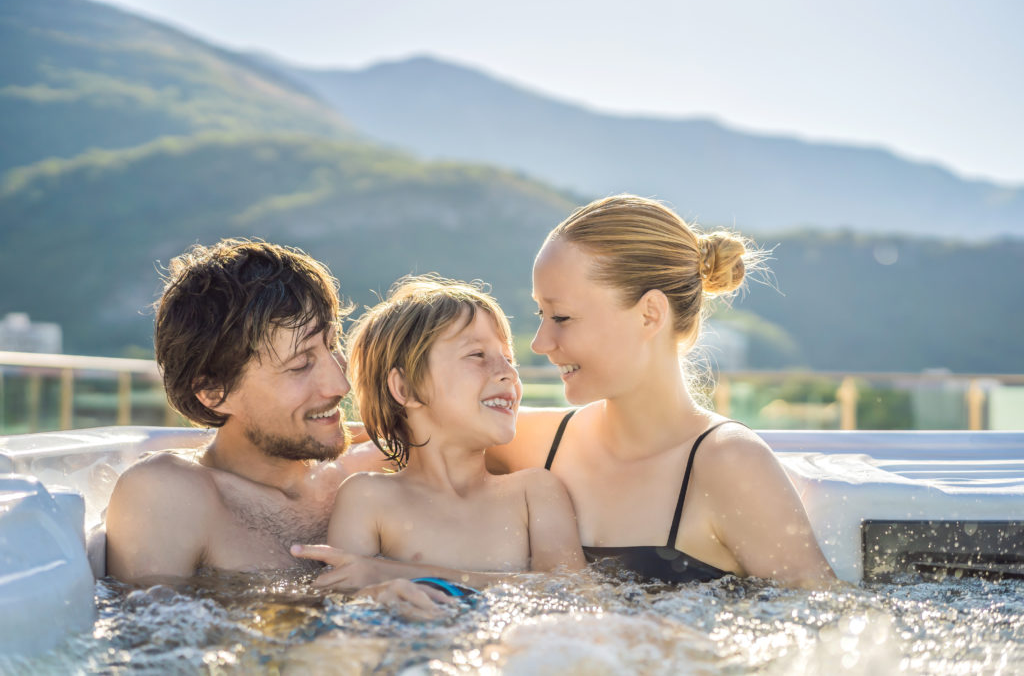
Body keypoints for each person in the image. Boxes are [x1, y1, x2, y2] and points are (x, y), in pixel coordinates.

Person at [297, 195, 837, 589]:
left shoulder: (727, 463)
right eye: (539, 315)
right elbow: (397, 438)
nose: (539, 343)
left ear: (650, 314)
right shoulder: (526, 441)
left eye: (562, 317)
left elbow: (828, 621)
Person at [104, 240, 446, 614]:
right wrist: (350, 622)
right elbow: (151, 653)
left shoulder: (384, 460)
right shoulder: (171, 495)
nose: (340, 385)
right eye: (301, 364)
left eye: (332, 346)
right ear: (212, 391)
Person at [326, 276, 584, 577]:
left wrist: (391, 573)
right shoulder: (367, 498)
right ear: (406, 388)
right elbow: (344, 600)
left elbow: (574, 596)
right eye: (477, 355)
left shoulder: (533, 493)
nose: (509, 373)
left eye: (508, 358)